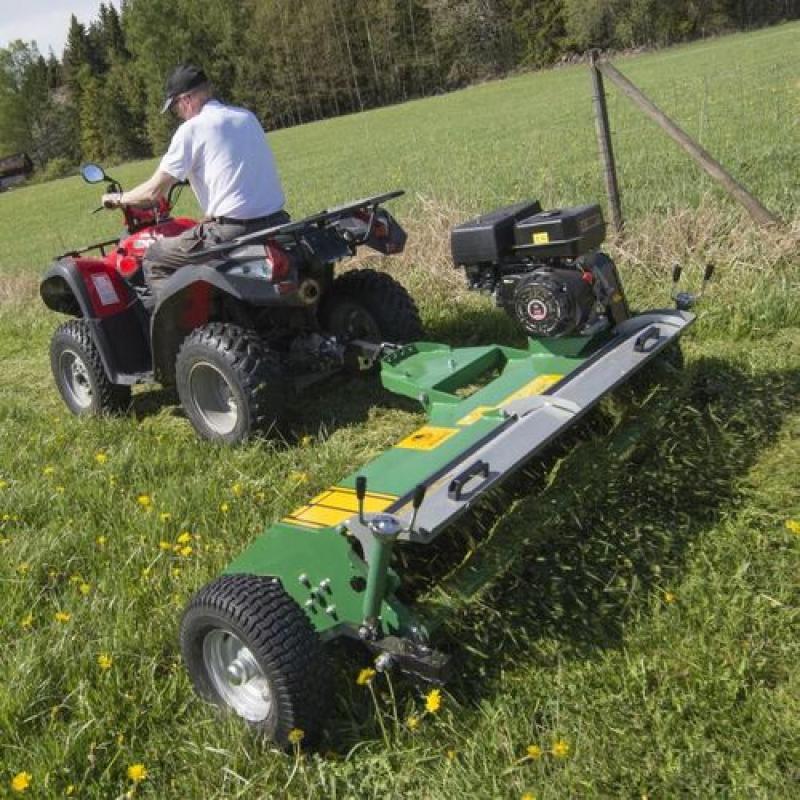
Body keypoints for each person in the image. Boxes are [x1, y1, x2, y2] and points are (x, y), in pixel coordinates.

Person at [101, 64, 290, 295]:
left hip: (233, 231)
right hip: (278, 221)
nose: (179, 114)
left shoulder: (192, 129)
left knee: (155, 258)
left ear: (186, 100)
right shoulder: (246, 116)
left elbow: (152, 193)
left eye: (176, 108)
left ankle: (185, 318)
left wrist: (119, 199)